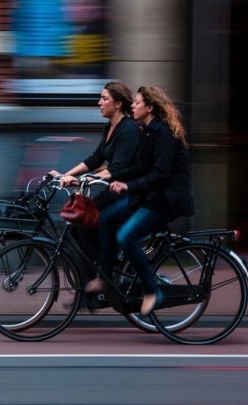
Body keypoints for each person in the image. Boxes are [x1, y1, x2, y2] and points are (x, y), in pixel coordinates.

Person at [86, 85, 194, 316]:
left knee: (126, 236)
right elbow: (140, 166)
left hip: (165, 201)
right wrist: (115, 177)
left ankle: (153, 291)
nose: (132, 106)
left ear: (150, 107)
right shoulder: (147, 131)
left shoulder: (164, 134)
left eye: (137, 102)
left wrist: (128, 185)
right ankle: (105, 278)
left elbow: (160, 174)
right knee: (105, 218)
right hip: (148, 196)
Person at [48, 81, 141, 271]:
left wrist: (85, 180)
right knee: (79, 225)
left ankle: (107, 269)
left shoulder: (129, 129)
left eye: (104, 98)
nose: (99, 102)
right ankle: (100, 271)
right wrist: (65, 175)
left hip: (127, 192)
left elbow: (117, 168)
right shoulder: (109, 128)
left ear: (118, 104)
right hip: (112, 191)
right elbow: (94, 160)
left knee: (87, 221)